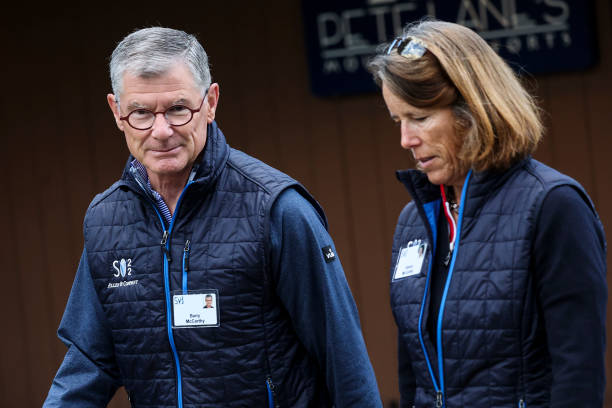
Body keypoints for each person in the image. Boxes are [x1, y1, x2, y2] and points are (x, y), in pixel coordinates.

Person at [44, 27, 382, 407]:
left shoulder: (276, 208)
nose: (161, 131)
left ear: (211, 102)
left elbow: (343, 357)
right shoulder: (106, 221)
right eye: (141, 112)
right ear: (116, 112)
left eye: (177, 109)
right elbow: (89, 363)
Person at [368, 20, 607, 407]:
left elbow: (578, 372)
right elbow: (413, 375)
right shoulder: (414, 221)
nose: (406, 140)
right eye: (399, 120)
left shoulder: (553, 205)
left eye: (420, 117)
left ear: (474, 109)